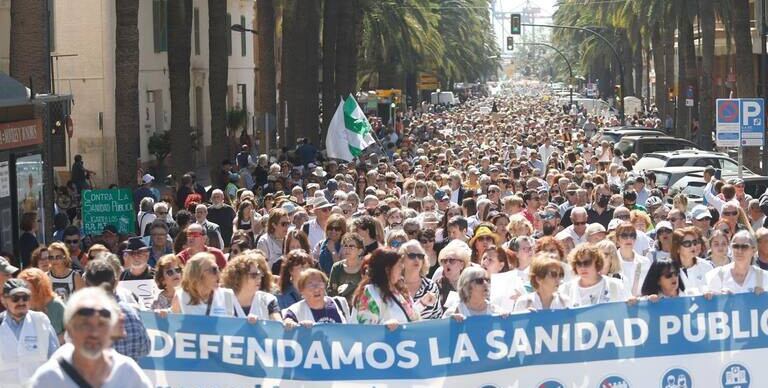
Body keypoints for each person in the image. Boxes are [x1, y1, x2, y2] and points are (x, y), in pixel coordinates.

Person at [28, 287, 153, 387]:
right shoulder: (49, 379)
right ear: (70, 329)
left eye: (101, 324)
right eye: (85, 324)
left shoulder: (127, 373)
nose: (94, 333)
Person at [0, 279, 59, 387]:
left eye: (25, 298)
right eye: (15, 298)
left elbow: (55, 361)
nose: (21, 302)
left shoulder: (41, 322)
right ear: (3, 300)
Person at [353, 248, 419, 329]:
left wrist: (423, 303)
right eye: (398, 265)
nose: (402, 267)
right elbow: (366, 331)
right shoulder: (370, 293)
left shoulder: (398, 291)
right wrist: (385, 327)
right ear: (387, 269)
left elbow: (413, 319)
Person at [559, 244, 629, 307]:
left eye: (587, 263)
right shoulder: (565, 290)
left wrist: (633, 303)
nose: (582, 267)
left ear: (597, 263)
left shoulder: (616, 285)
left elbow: (629, 310)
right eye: (578, 263)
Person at [171, 252, 238, 317]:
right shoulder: (181, 296)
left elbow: (236, 324)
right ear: (197, 274)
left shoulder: (227, 295)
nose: (218, 274)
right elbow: (172, 324)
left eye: (218, 269)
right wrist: (164, 313)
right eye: (214, 270)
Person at [221, 252, 281, 321]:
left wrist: (259, 325)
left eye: (259, 274)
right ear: (238, 276)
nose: (259, 278)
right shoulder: (222, 299)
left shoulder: (268, 300)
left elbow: (278, 326)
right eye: (254, 275)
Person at [283, 269, 350, 326]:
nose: (316, 289)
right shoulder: (295, 311)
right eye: (311, 285)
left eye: (320, 283)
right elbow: (286, 323)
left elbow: (350, 330)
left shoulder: (340, 303)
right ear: (301, 290)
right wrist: (295, 325)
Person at [17, 268, 66, 343]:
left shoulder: (56, 305)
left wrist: (54, 341)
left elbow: (72, 331)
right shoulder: (25, 305)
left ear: (38, 288)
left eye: (26, 287)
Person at [400, 240, 442, 319]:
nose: (417, 259)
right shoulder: (394, 286)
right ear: (402, 259)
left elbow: (437, 318)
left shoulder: (431, 286)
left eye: (420, 256)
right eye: (412, 256)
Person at [669, 227, 713, 295]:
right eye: (687, 243)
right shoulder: (667, 269)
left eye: (694, 242)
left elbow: (716, 291)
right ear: (677, 248)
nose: (693, 246)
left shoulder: (706, 266)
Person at [614, 222, 651, 297]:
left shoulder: (645, 262)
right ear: (617, 239)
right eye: (624, 235)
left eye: (632, 235)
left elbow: (649, 289)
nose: (629, 239)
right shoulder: (612, 262)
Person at [328, 233, 365, 303]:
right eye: (345, 246)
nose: (347, 249)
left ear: (360, 251)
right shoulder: (337, 267)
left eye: (352, 246)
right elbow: (331, 291)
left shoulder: (365, 267)